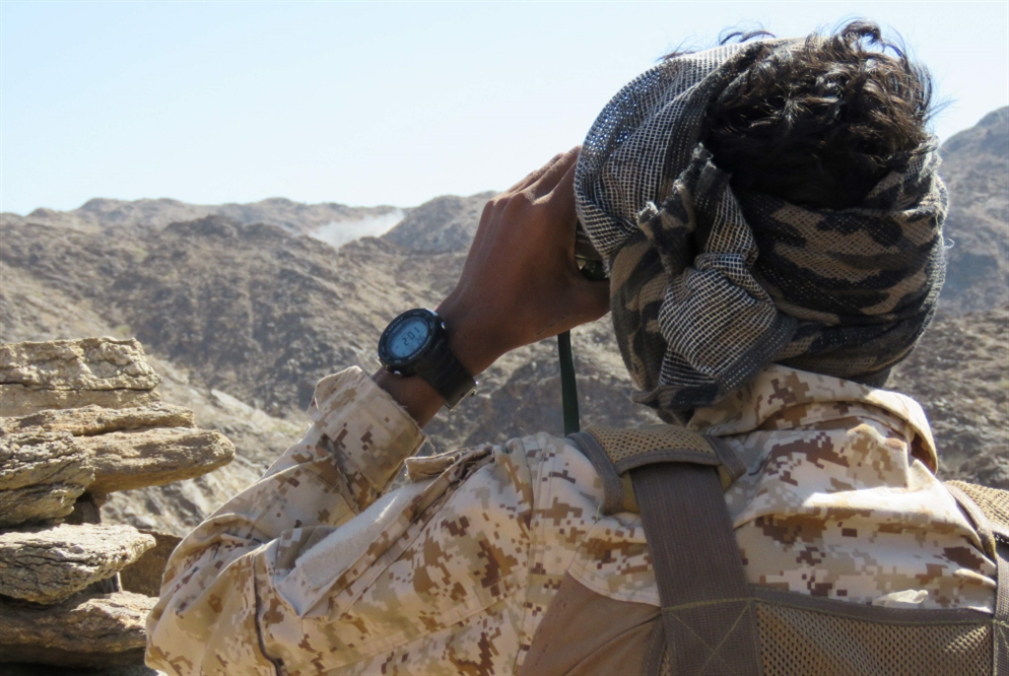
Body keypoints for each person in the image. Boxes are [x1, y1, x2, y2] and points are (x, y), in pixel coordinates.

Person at [145, 23, 998, 675]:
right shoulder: (984, 554)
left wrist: (461, 334)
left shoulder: (553, 515)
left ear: (674, 290)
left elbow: (190, 626)